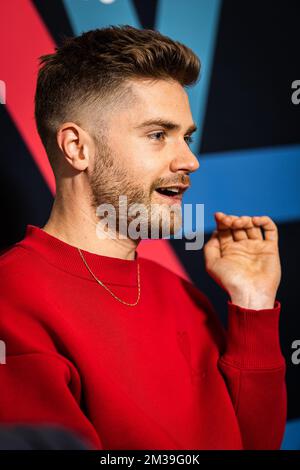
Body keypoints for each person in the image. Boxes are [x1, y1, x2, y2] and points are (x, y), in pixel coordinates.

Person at [0, 25, 286, 450]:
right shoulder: (12, 297)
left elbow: (254, 443)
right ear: (78, 148)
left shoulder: (183, 296)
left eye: (185, 137)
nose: (190, 160)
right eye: (158, 134)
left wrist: (253, 304)